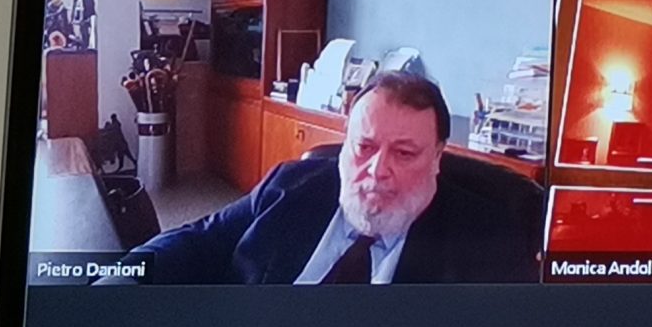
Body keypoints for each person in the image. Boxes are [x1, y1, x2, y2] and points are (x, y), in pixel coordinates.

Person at [130, 73, 540, 283]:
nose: (377, 170)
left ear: (436, 158)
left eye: (404, 153)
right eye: (364, 146)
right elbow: (199, 240)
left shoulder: (487, 241)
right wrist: (122, 276)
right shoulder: (291, 185)